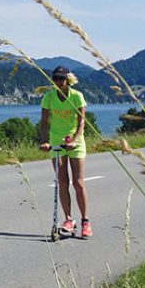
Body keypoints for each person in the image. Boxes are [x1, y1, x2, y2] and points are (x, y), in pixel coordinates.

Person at [38, 66, 91, 238]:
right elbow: (44, 122)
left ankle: (85, 221)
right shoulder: (49, 97)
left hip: (75, 141)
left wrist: (75, 140)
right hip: (56, 141)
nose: (58, 82)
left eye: (61, 79)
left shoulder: (77, 96)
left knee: (78, 182)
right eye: (55, 79)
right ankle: (68, 219)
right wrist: (45, 140)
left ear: (68, 80)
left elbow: (82, 122)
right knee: (62, 181)